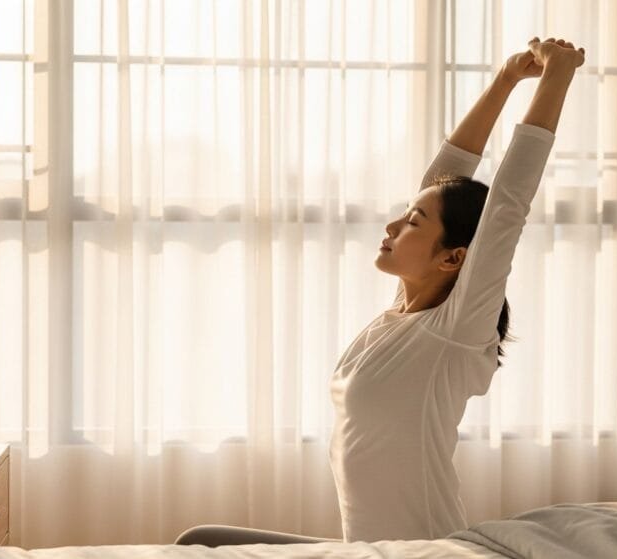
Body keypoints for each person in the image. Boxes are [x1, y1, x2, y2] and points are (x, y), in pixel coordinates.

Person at [175, 37, 585, 547]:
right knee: (202, 540)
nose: (392, 225)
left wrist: (556, 76)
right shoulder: (400, 316)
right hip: (366, 551)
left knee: (200, 543)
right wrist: (504, 80)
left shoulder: (454, 333)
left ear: (454, 258)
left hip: (425, 552)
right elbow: (445, 180)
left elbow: (507, 205)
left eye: (412, 222)